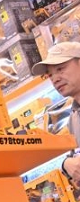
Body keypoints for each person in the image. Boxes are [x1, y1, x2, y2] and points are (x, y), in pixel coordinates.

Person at [33, 41, 80, 182]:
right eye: (50, 75)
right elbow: (74, 157)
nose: (55, 79)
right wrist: (66, 164)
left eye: (60, 69)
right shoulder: (74, 116)